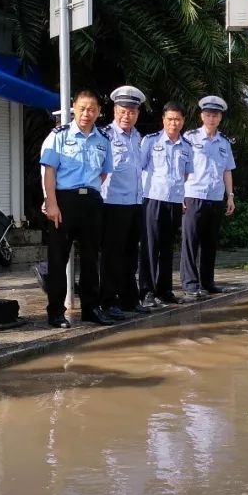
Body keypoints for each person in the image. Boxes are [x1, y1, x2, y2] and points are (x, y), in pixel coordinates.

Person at [40, 89, 115, 328]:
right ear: (73, 108)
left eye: (92, 109)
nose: (86, 113)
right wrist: (51, 201)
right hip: (63, 201)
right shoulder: (59, 136)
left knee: (91, 258)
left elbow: (103, 173)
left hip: (91, 203)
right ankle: (55, 312)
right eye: (82, 108)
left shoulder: (103, 140)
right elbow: (49, 171)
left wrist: (89, 191)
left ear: (99, 112)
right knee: (57, 259)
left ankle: (91, 308)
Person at [180, 95, 236, 300]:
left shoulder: (224, 143)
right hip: (193, 194)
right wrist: (180, 193)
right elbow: (182, 167)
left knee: (210, 242)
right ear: (202, 116)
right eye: (208, 115)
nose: (211, 119)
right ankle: (189, 284)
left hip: (215, 196)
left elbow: (228, 170)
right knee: (190, 241)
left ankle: (208, 282)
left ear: (220, 118)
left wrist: (230, 196)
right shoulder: (190, 137)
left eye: (215, 115)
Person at [99, 85, 148, 319]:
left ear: (137, 113)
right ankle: (108, 301)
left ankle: (130, 299)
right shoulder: (105, 136)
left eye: (132, 111)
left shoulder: (138, 137)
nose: (127, 116)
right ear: (114, 110)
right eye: (123, 111)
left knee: (130, 254)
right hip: (113, 203)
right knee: (112, 255)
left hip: (135, 203)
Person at [138, 101, 193, 308]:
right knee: (150, 246)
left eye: (177, 119)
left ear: (183, 121)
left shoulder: (186, 146)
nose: (174, 123)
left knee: (167, 248)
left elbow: (186, 173)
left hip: (174, 201)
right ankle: (147, 291)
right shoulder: (150, 141)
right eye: (170, 119)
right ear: (163, 120)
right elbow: (141, 167)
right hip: (153, 198)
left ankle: (165, 290)